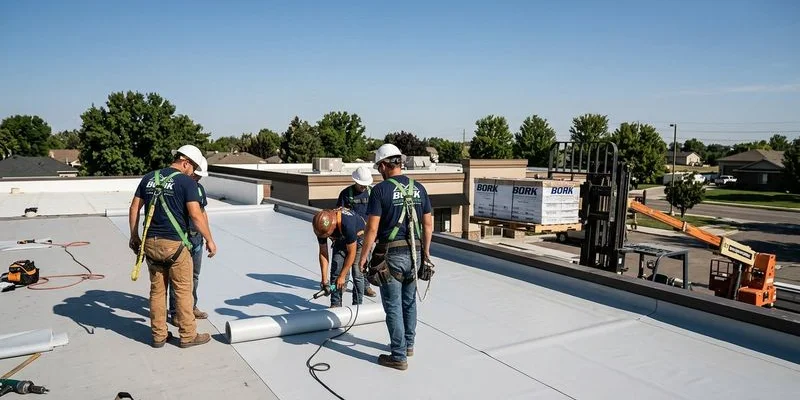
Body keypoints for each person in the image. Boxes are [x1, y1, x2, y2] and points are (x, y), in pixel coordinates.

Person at [128, 144, 217, 349]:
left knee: (157, 292)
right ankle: (187, 336)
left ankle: (158, 336)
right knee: (183, 291)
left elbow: (134, 207)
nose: (193, 173)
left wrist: (134, 236)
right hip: (175, 245)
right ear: (185, 163)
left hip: (150, 243)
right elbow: (195, 215)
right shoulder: (187, 183)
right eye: (192, 168)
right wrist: (210, 240)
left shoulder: (149, 177)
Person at [358, 143, 433, 371]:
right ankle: (409, 344)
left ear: (383, 165)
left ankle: (398, 356)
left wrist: (363, 256)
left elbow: (372, 229)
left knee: (393, 305)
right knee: (409, 301)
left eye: (378, 167)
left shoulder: (380, 191)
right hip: (416, 253)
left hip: (391, 255)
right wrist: (426, 254)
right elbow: (428, 224)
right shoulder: (419, 188)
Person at [168, 156, 210, 323]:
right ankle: (176, 312)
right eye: (196, 175)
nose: (197, 178)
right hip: (180, 240)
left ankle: (191, 306)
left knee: (194, 276)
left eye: (199, 176)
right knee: (177, 278)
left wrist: (208, 237)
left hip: (197, 239)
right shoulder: (178, 188)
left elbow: (201, 213)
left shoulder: (199, 189)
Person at [335, 165, 377, 298]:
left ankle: (365, 287)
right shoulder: (346, 194)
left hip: (367, 236)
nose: (363, 188)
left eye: (365, 185)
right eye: (361, 185)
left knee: (364, 264)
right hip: (350, 236)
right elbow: (339, 214)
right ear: (355, 181)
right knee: (347, 263)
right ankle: (343, 285)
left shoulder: (372, 193)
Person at [313, 207, 367, 308]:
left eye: (327, 235)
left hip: (358, 240)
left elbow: (351, 253)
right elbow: (323, 253)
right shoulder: (320, 226)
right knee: (336, 270)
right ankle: (335, 304)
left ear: (332, 225)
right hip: (340, 240)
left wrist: (342, 276)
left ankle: (357, 305)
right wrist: (324, 280)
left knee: (357, 272)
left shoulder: (347, 223)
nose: (325, 237)